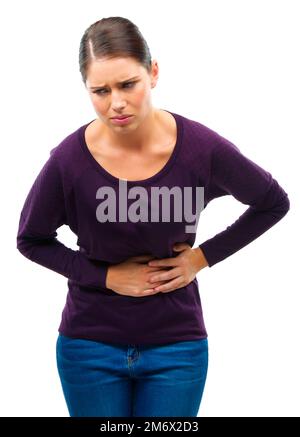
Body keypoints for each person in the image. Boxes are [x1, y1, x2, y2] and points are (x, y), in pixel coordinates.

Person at [16, 16, 290, 417]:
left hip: (177, 348)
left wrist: (201, 258)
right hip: (89, 346)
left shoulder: (201, 149)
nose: (117, 103)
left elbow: (272, 202)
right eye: (100, 90)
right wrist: (107, 277)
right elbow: (31, 239)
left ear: (153, 73)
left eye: (128, 84)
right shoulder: (68, 162)